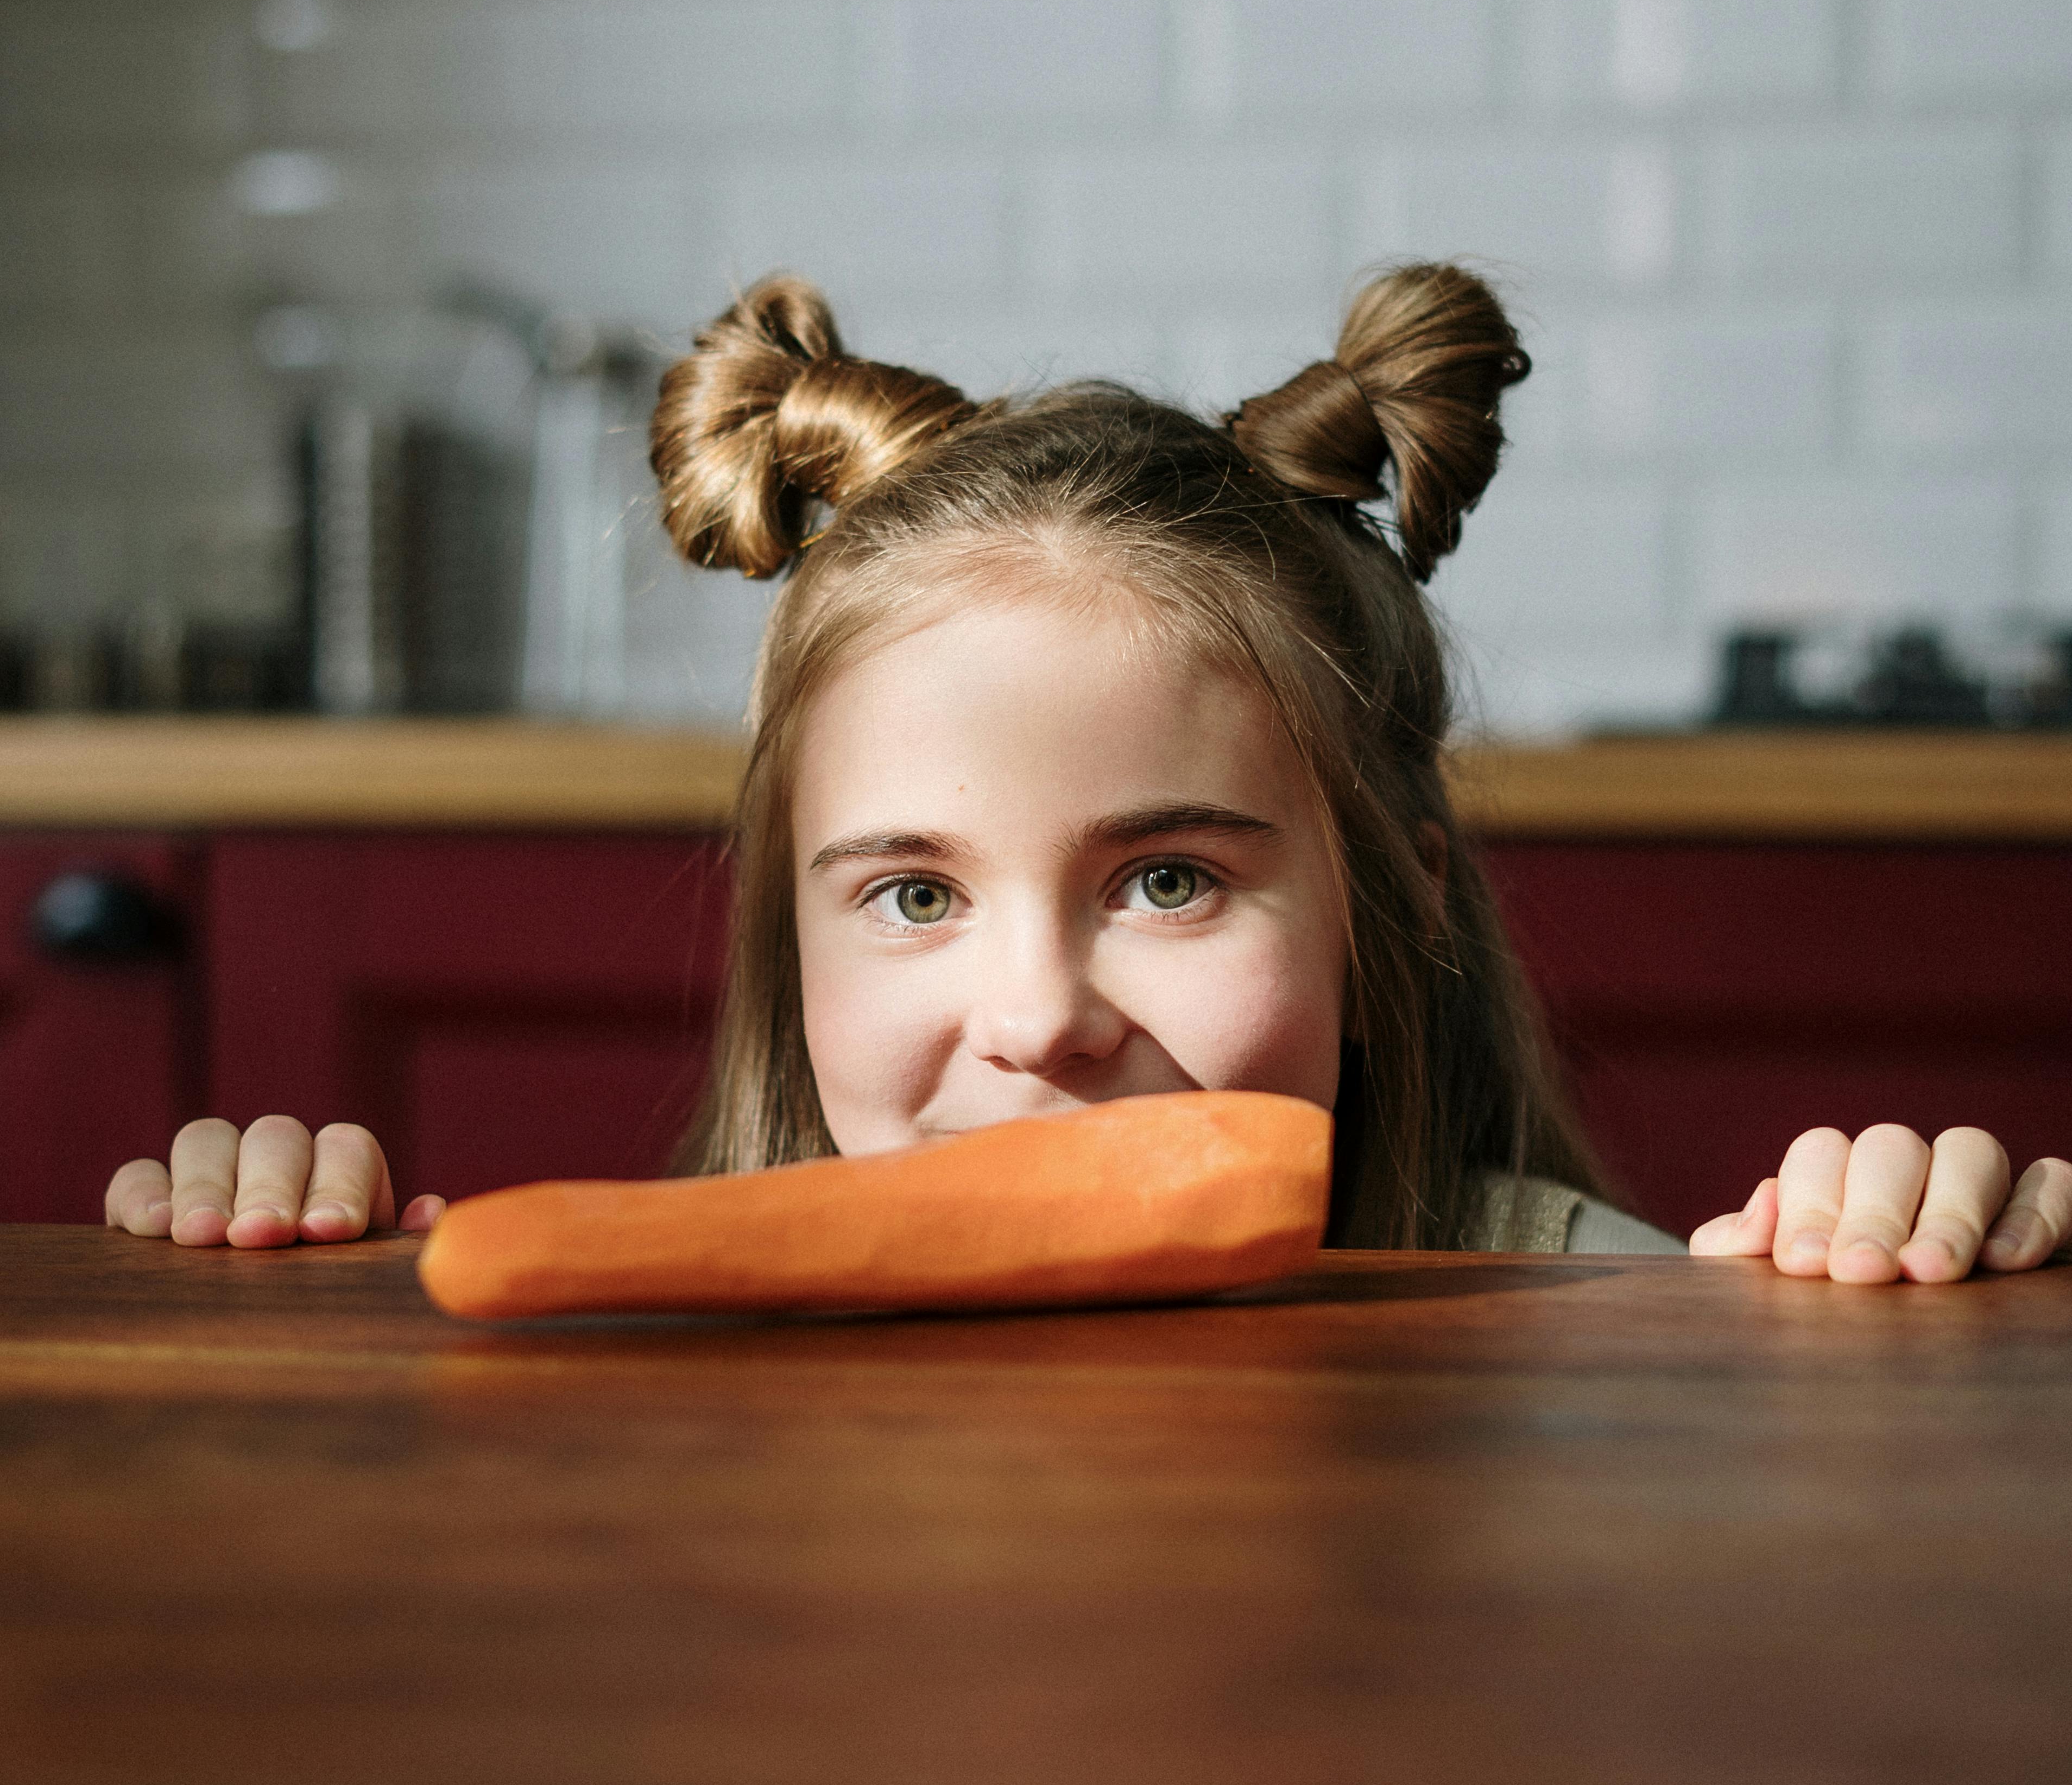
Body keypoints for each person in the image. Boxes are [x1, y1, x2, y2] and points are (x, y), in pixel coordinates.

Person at [106, 266, 2072, 1286]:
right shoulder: (679, 1346)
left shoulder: (1568, 1317)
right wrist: (298, 1295)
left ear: (1389, 894)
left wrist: (1890, 1283)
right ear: (786, 943)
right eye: (912, 894)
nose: (1036, 1023)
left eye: (1166, 880)